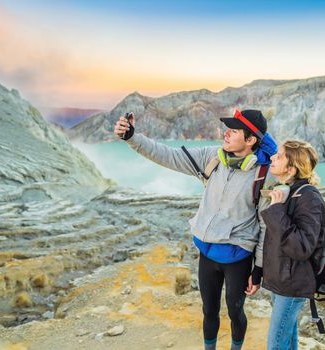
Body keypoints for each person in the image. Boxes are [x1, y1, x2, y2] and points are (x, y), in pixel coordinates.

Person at [114, 109, 277, 350]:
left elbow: (265, 225)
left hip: (237, 258)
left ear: (251, 140)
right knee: (209, 310)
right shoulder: (213, 157)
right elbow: (168, 155)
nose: (226, 134)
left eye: (234, 131)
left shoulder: (264, 175)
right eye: (227, 129)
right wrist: (132, 138)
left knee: (235, 311)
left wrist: (259, 269)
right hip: (207, 254)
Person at [258, 140, 325, 350]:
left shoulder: (309, 197)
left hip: (293, 284)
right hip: (283, 281)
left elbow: (302, 247)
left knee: (276, 344)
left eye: (279, 156)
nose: (272, 158)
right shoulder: (288, 190)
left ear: (292, 167)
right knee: (288, 340)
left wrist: (277, 210)